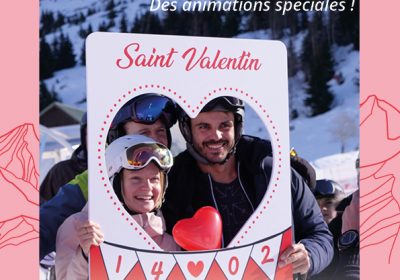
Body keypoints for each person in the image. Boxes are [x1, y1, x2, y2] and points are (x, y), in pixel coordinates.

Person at [162, 96, 333, 278]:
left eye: (224, 125)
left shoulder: (273, 171)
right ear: (187, 130)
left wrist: (309, 256)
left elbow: (320, 235)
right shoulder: (173, 185)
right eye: (204, 127)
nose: (216, 136)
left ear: (237, 126)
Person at [40, 93, 177, 260]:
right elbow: (38, 232)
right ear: (117, 139)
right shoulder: (95, 182)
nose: (155, 140)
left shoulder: (180, 173)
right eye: (144, 133)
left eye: (160, 131)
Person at [55, 135, 180, 279]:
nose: (147, 188)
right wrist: (86, 256)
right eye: (135, 179)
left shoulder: (168, 242)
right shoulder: (79, 227)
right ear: (113, 183)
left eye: (154, 179)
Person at [40, 112, 88, 204]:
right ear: (84, 136)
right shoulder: (61, 172)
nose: (99, 140)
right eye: (92, 134)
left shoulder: (120, 173)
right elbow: (41, 210)